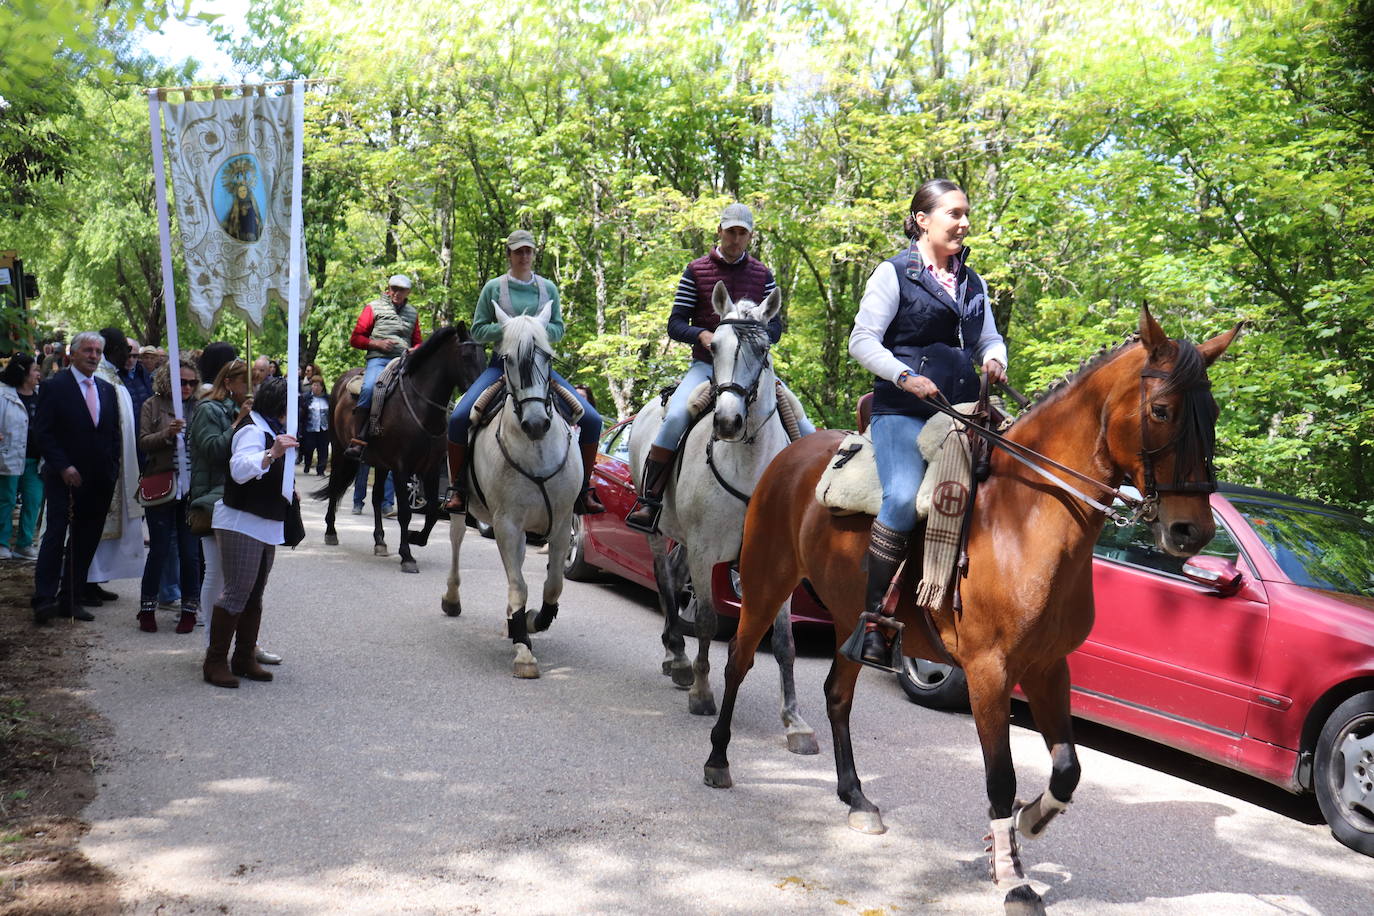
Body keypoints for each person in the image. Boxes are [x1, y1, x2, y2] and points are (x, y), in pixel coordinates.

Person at [844, 178, 1007, 668]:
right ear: (922, 219)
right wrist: (903, 375)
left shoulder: (973, 282)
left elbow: (989, 339)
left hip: (961, 411)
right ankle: (872, 621)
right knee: (901, 497)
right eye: (953, 213)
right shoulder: (893, 274)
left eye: (966, 214)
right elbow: (861, 340)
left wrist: (995, 359)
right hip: (902, 409)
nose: (963, 222)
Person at [625, 202, 813, 532]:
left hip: (753, 371)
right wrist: (703, 334)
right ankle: (650, 500)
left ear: (750, 236)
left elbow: (776, 328)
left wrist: (757, 335)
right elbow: (675, 323)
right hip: (707, 367)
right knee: (675, 418)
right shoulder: (696, 270)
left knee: (802, 423)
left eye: (742, 233)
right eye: (731, 232)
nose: (735, 238)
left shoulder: (762, 274)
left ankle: (810, 499)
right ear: (720, 231)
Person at [443, 230, 605, 516]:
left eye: (528, 251)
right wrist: (509, 329)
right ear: (509, 254)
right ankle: (458, 489)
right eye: (518, 251)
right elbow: (478, 330)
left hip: (541, 371)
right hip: (501, 367)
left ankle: (583, 491)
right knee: (458, 417)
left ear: (533, 253)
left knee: (591, 420)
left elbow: (558, 329)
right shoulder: (494, 287)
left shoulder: (548, 288)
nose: (524, 256)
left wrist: (533, 329)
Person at [204, 377, 296, 688]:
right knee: (235, 595)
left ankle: (243, 657)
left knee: (253, 596)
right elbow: (239, 471)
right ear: (281, 406)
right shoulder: (253, 430)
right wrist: (271, 454)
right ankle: (214, 661)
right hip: (241, 522)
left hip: (264, 523)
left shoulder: (268, 429)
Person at [29, 331, 121, 624]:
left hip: (98, 480)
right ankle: (44, 599)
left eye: (98, 351)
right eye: (88, 350)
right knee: (56, 536)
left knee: (85, 540)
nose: (93, 356)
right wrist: (63, 466)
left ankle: (71, 597)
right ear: (74, 353)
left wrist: (113, 468)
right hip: (63, 478)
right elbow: (42, 432)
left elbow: (111, 434)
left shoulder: (107, 390)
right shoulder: (56, 387)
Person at [136, 360, 202, 634]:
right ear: (169, 380)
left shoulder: (200, 407)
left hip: (191, 489)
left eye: (192, 382)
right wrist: (167, 433)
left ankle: (189, 609)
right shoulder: (152, 405)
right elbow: (143, 441)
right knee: (160, 549)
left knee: (190, 553)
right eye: (182, 382)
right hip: (162, 484)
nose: (187, 387)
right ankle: (147, 608)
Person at [85, 328, 144, 604]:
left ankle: (95, 578)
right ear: (114, 349)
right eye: (125, 349)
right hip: (102, 465)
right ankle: (83, 580)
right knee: (92, 524)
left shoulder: (112, 377)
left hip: (119, 464)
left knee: (104, 528)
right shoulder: (96, 377)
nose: (128, 356)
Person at [342, 274, 422, 460]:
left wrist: (414, 350)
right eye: (393, 288)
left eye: (401, 290)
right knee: (370, 388)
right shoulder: (373, 307)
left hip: (405, 360)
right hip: (380, 359)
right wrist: (377, 344)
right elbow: (355, 339)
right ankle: (358, 439)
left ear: (408, 292)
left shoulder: (412, 312)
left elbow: (418, 342)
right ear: (388, 288)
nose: (396, 292)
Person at [0, 354, 43, 560]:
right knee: (6, 500)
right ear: (23, 372)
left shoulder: (41, 395)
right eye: (35, 369)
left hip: (36, 460)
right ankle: (2, 542)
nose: (38, 374)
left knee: (33, 501)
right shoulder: (3, 395)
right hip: (9, 456)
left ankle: (24, 544)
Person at [300, 376, 331, 475]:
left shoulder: (328, 399)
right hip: (310, 429)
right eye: (314, 385)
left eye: (318, 385)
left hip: (324, 429)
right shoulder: (305, 398)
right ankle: (307, 464)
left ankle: (321, 470)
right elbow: (302, 414)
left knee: (323, 449)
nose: (316, 387)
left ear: (322, 387)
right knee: (308, 448)